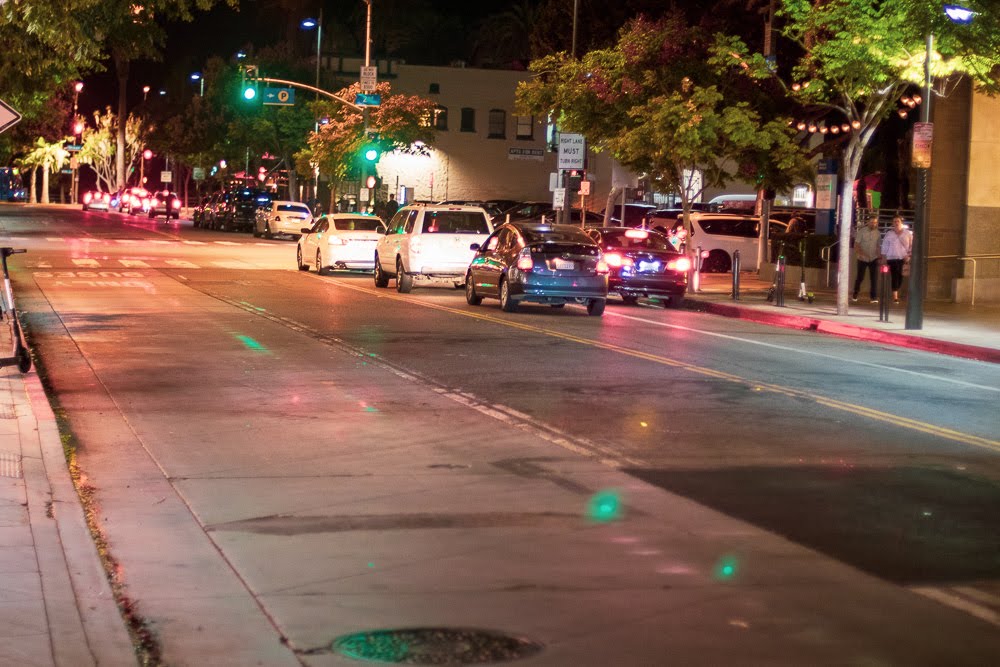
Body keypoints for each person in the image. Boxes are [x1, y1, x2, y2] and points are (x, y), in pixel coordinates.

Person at [880, 216, 912, 304]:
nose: (896, 223)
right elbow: (885, 245)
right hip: (892, 257)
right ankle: (895, 297)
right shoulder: (889, 233)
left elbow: (911, 245)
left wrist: (909, 256)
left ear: (901, 222)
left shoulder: (907, 233)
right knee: (895, 276)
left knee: (900, 276)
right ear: (892, 223)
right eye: (894, 221)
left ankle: (896, 290)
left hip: (903, 257)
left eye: (897, 221)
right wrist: (883, 257)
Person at [852, 214, 881, 303]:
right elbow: (856, 245)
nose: (873, 224)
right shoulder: (862, 231)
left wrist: (879, 256)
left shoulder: (878, 233)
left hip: (874, 258)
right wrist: (861, 254)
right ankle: (855, 294)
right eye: (872, 222)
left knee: (874, 278)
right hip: (862, 258)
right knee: (860, 277)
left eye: (875, 223)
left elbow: (878, 246)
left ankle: (874, 297)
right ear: (868, 222)